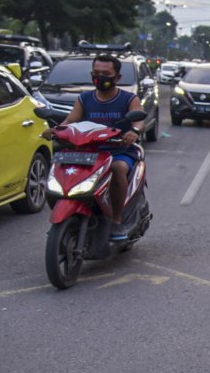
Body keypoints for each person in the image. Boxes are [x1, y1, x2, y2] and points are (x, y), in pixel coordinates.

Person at [42, 54, 144, 241]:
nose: (100, 77)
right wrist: (56, 130)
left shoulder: (129, 98)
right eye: (96, 73)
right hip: (88, 151)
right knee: (60, 167)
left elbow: (138, 121)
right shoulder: (85, 98)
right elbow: (71, 121)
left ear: (117, 77)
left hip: (118, 151)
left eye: (106, 73)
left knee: (118, 169)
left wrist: (134, 132)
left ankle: (117, 220)